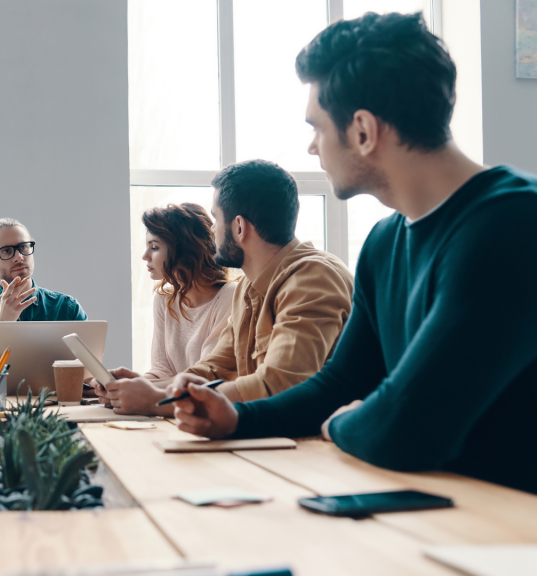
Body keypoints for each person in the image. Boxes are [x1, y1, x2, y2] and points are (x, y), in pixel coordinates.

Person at [169, 12, 537, 495]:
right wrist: (236, 417)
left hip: (510, 533)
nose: (311, 147)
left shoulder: (512, 225)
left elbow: (409, 429)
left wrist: (344, 423)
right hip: (436, 513)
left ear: (363, 130)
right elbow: (339, 386)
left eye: (317, 128)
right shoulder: (385, 242)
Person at [109, 160, 354, 414]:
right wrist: (147, 388)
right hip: (272, 437)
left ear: (239, 227)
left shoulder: (312, 278)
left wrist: (156, 402)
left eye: (215, 218)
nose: (212, 230)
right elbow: (213, 368)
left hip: (316, 444)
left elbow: (280, 385)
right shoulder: (248, 287)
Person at [94, 203, 235, 415]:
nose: (145, 256)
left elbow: (208, 377)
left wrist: (140, 390)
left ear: (184, 250)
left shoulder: (230, 295)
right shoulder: (164, 299)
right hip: (172, 412)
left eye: (154, 247)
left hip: (204, 412)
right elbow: (162, 370)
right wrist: (127, 385)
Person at [0, 218, 87, 390]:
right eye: (7, 251)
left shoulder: (67, 307)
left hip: (59, 408)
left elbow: (89, 373)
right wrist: (2, 321)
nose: (19, 257)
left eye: (23, 247)